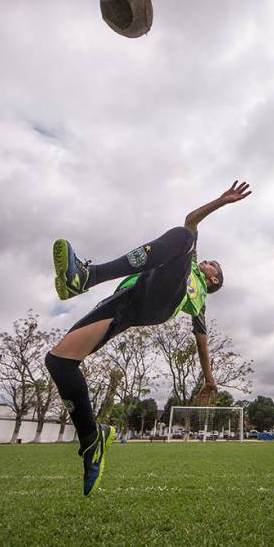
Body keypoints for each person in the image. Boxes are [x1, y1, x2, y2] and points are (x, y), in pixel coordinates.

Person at [44, 181, 251, 496]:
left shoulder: (198, 294)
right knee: (59, 362)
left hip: (157, 304)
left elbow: (202, 339)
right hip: (127, 300)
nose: (208, 260)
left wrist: (210, 379)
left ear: (213, 279)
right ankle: (91, 440)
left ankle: (86, 277)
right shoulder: (188, 264)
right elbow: (193, 217)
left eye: (213, 264)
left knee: (184, 237)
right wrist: (221, 200)